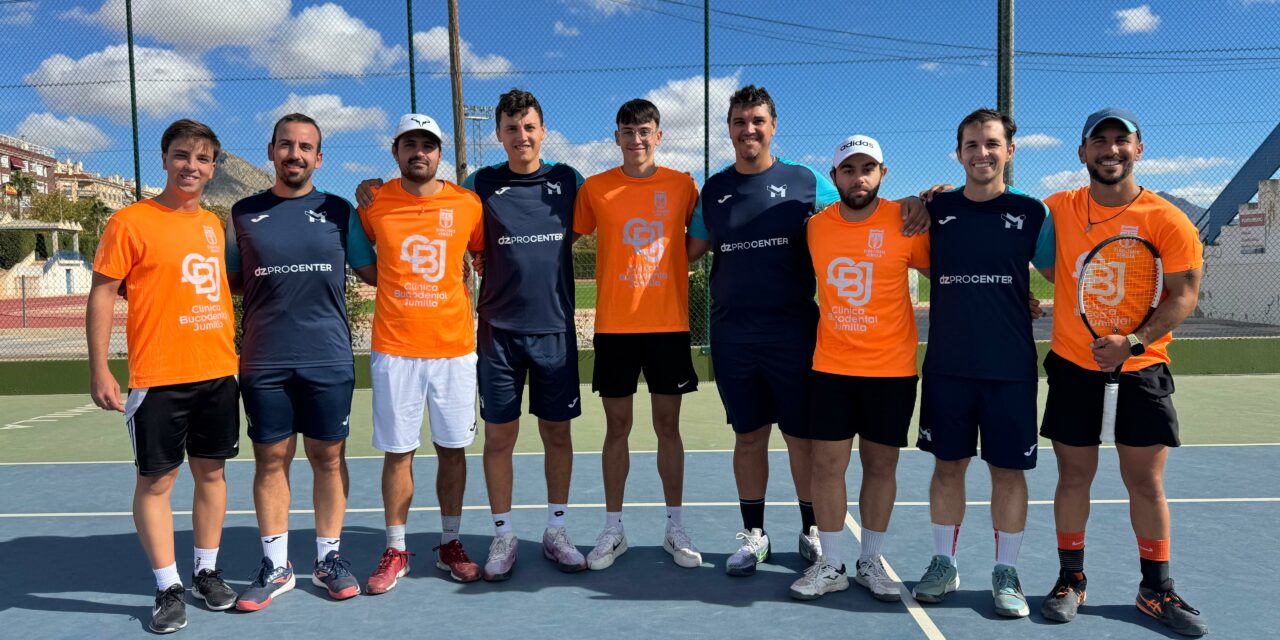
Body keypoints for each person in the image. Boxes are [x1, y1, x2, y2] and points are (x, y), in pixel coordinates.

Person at [686, 85, 927, 576]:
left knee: (803, 440)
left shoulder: (806, 180)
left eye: (757, 120)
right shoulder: (713, 189)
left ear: (773, 126)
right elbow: (687, 249)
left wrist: (923, 199)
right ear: (729, 129)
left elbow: (860, 202)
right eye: (739, 121)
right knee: (748, 436)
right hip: (733, 337)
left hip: (796, 337)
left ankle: (812, 530)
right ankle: (754, 535)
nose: (748, 129)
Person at [1036, 108, 1207, 637]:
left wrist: (1132, 341)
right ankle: (1071, 579)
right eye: (1099, 142)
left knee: (1145, 482)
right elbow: (1038, 257)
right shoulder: (1058, 209)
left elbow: (1184, 295)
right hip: (1073, 365)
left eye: (1121, 141)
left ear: (1139, 149)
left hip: (1143, 368)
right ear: (1082, 152)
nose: (1111, 150)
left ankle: (1155, 588)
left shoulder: (1167, 219)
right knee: (1073, 476)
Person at [87, 119, 239, 633]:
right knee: (157, 481)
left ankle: (206, 572)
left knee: (212, 475)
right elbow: (104, 293)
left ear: (213, 167)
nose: (191, 167)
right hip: (158, 375)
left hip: (218, 371)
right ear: (165, 158)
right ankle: (167, 585)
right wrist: (100, 367)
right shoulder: (130, 221)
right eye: (181, 155)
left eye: (202, 159)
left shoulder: (212, 224)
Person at [225, 113, 377, 611]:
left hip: (328, 357)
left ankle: (329, 559)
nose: (295, 154)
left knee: (328, 458)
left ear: (319, 157)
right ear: (271, 151)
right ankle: (277, 566)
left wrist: (382, 207)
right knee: (271, 459)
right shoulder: (243, 213)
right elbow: (231, 281)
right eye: (286, 145)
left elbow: (376, 271)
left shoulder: (339, 211)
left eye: (306, 147)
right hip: (264, 360)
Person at [909, 108, 1054, 618]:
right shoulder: (936, 211)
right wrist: (921, 198)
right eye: (972, 144)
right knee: (948, 468)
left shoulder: (1033, 214)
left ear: (1010, 151)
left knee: (1008, 473)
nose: (982, 153)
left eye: (992, 144)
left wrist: (1031, 300)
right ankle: (943, 563)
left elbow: (1064, 275)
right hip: (949, 366)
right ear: (958, 152)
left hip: (1011, 367)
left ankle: (1005, 572)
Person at [788, 135, 928, 602]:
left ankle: (871, 559)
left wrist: (932, 197)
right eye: (849, 169)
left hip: (892, 371)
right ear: (835, 179)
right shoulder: (815, 227)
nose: (859, 177)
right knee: (827, 466)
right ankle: (831, 563)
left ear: (883, 174)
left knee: (880, 465)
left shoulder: (907, 222)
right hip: (830, 367)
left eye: (868, 168)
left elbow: (953, 273)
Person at [572, 98, 703, 570]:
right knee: (617, 428)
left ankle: (675, 527)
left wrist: (670, 267)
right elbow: (561, 236)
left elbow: (701, 240)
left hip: (668, 325)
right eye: (627, 131)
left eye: (645, 130)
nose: (636, 139)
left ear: (659, 135)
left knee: (668, 426)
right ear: (617, 137)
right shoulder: (595, 189)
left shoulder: (683, 185)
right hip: (615, 327)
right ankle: (613, 529)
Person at [358, 113, 485, 593]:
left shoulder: (467, 204)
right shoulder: (374, 203)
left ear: (439, 153)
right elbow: (365, 262)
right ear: (396, 152)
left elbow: (479, 257)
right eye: (410, 144)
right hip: (396, 349)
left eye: (428, 145)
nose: (419, 153)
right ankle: (396, 549)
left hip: (454, 350)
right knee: (399, 453)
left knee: (453, 451)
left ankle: (450, 543)